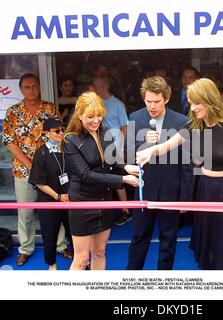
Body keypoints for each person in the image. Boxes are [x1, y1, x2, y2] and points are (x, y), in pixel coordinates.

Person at [136, 78, 223, 270]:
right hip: (205, 190)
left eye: (196, 102)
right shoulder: (193, 127)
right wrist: (148, 151)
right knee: (208, 249)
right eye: (191, 102)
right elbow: (165, 147)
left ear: (209, 99)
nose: (192, 107)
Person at [62, 91, 140, 270]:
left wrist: (127, 167)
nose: (96, 120)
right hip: (82, 203)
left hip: (105, 202)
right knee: (81, 259)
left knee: (99, 251)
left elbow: (113, 159)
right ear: (79, 115)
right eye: (90, 116)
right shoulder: (70, 139)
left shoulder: (103, 130)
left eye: (99, 115)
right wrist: (123, 179)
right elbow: (85, 175)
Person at [2, 73, 72, 266]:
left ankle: (60, 245)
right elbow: (9, 142)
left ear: (39, 87)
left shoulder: (50, 109)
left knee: (55, 209)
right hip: (23, 172)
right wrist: (31, 165)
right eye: (27, 87)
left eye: (34, 86)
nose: (31, 90)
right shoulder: (13, 112)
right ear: (21, 89)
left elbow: (59, 137)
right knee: (25, 212)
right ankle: (25, 248)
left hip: (52, 173)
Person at [126, 76, 194, 270]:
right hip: (143, 189)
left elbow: (187, 162)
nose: (152, 106)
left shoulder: (182, 121)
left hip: (171, 191)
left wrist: (186, 198)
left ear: (166, 98)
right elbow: (129, 154)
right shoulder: (135, 117)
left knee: (168, 240)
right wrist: (144, 142)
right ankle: (131, 279)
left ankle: (164, 280)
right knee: (138, 237)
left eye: (156, 101)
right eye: (148, 101)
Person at [28, 117, 73, 270]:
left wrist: (70, 194)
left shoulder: (68, 149)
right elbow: (39, 182)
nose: (61, 133)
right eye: (57, 131)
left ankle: (81, 260)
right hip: (49, 200)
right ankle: (51, 266)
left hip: (69, 199)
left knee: (75, 233)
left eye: (62, 130)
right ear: (47, 133)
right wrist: (57, 197)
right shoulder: (41, 153)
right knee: (49, 235)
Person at [92, 76, 131, 225]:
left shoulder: (117, 104)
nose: (94, 90)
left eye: (95, 87)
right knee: (102, 179)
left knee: (119, 180)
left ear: (102, 87)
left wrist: (121, 148)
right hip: (99, 148)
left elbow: (125, 127)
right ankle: (103, 212)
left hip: (115, 148)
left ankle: (125, 211)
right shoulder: (95, 103)